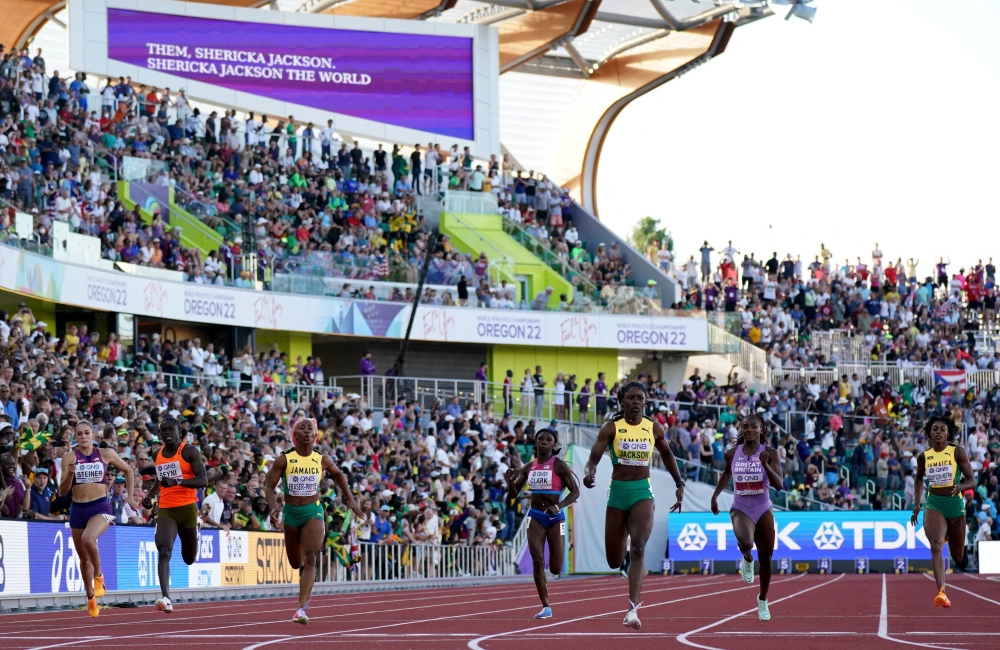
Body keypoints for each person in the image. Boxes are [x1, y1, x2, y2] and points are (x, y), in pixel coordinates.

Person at [583, 382, 684, 629]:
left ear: (645, 402)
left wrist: (679, 483)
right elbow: (593, 458)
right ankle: (623, 560)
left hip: (642, 492)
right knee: (614, 561)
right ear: (623, 401)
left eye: (640, 398)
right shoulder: (612, 428)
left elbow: (668, 455)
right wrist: (589, 473)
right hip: (617, 494)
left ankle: (632, 610)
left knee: (638, 548)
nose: (636, 402)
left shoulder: (654, 428)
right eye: (631, 398)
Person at [264, 418, 365, 624]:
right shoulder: (284, 459)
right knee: (295, 563)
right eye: (302, 428)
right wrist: (274, 506)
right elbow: (268, 486)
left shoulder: (322, 459)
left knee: (311, 558)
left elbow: (338, 474)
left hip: (313, 511)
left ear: (315, 435)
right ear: (296, 435)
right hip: (291, 514)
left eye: (310, 428)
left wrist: (350, 498)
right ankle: (300, 574)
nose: (307, 431)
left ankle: (301, 609)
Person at [58, 421, 138, 617]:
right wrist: (69, 473)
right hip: (77, 509)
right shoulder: (69, 457)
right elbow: (62, 491)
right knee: (84, 559)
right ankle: (91, 598)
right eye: (79, 434)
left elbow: (127, 470)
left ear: (93, 435)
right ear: (75, 437)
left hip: (100, 506)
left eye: (87, 433)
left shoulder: (106, 454)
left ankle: (99, 575)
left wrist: (129, 496)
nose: (83, 437)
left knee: (88, 539)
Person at [709, 414, 784, 622]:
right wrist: (715, 496)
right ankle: (747, 558)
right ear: (741, 430)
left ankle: (763, 599)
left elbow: (779, 485)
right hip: (740, 507)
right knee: (745, 542)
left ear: (762, 430)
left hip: (764, 507)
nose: (749, 430)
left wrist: (766, 465)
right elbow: (726, 474)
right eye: (745, 427)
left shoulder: (771, 453)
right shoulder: (732, 454)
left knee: (767, 559)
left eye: (754, 427)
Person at [505, 428, 580, 619]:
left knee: (555, 567)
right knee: (538, 561)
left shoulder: (560, 466)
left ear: (554, 445)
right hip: (536, 516)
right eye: (541, 439)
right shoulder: (529, 467)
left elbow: (575, 492)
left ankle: (560, 555)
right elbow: (513, 494)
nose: (544, 442)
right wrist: (510, 481)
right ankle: (546, 606)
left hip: (555, 518)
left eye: (548, 440)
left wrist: (558, 506)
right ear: (536, 442)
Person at [142, 417, 207, 613]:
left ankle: (195, 530)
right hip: (167, 508)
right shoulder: (157, 454)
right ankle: (166, 598)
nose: (167, 433)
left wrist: (178, 482)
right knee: (164, 550)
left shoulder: (189, 451)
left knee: (188, 558)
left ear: (179, 431)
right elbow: (160, 481)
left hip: (187, 508)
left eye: (170, 430)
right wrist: (150, 495)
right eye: (163, 431)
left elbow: (203, 480)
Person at [910, 416, 975, 608]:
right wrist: (916, 503)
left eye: (942, 429)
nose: (938, 432)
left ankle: (946, 533)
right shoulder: (924, 456)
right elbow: (919, 479)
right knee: (936, 546)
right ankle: (942, 593)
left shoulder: (957, 452)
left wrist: (961, 486)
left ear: (948, 434)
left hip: (955, 504)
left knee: (958, 557)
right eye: (935, 429)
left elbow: (972, 480)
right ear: (930, 433)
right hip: (934, 503)